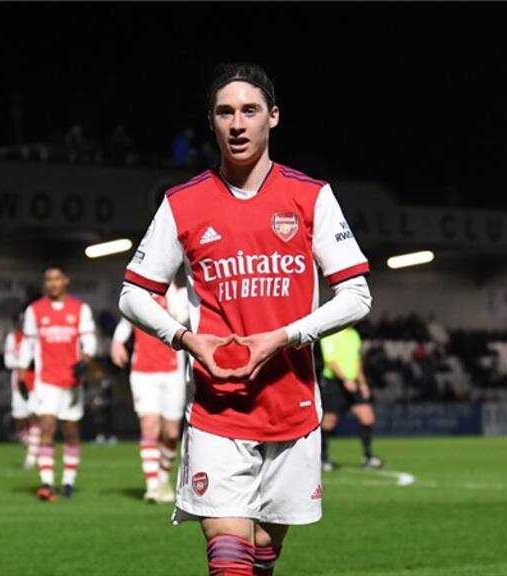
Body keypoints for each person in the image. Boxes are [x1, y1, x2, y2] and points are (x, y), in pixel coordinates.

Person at [118, 62, 372, 576]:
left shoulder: (311, 196)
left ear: (272, 118)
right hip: (217, 408)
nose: (237, 123)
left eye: (249, 111)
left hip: (293, 406)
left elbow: (357, 295)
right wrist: (187, 339)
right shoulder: (182, 203)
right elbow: (132, 294)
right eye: (225, 112)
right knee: (229, 562)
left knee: (261, 557)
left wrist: (283, 336)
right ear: (211, 122)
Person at [23, 265, 97, 501]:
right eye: (48, 279)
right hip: (46, 381)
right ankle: (46, 482)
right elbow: (28, 345)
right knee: (46, 427)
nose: (53, 283)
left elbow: (89, 340)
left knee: (71, 431)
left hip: (72, 381)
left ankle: (68, 481)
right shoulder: (34, 311)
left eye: (57, 278)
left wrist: (85, 359)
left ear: (66, 280)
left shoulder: (79, 309)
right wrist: (23, 375)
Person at [110, 283, 188, 503]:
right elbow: (127, 320)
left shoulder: (179, 294)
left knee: (172, 433)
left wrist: (170, 293)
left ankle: (163, 478)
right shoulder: (139, 292)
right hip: (143, 372)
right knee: (150, 426)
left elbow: (181, 318)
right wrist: (117, 342)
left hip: (172, 370)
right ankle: (153, 485)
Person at [319, 327, 384, 471]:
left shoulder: (354, 334)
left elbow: (357, 359)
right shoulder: (330, 334)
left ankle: (368, 457)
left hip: (353, 382)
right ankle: (323, 457)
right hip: (334, 383)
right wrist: (344, 380)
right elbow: (330, 361)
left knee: (367, 417)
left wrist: (362, 382)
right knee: (329, 421)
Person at [3, 322, 40, 469]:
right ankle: (34, 447)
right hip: (19, 383)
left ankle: (32, 456)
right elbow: (8, 361)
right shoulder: (13, 337)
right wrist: (25, 362)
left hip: (38, 383)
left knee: (36, 419)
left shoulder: (39, 337)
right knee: (19, 421)